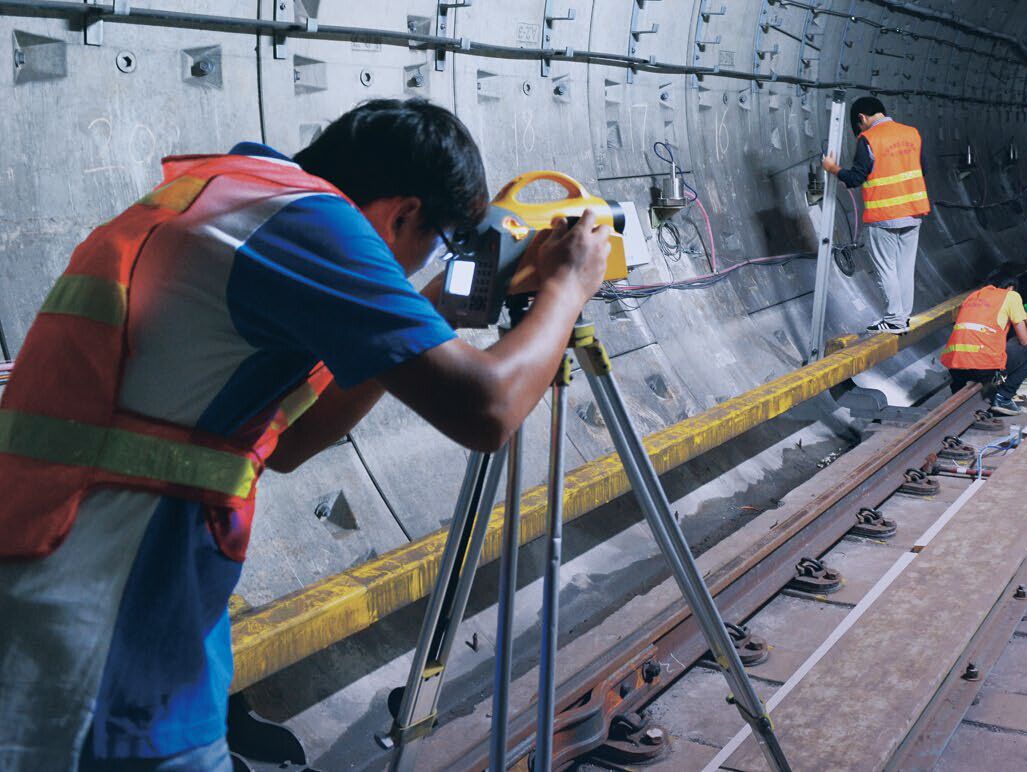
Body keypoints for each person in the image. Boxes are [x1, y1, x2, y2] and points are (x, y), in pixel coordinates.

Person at [0, 99, 611, 771]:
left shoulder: (234, 196)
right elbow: (488, 411)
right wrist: (568, 287)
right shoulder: (309, 221)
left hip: (95, 582)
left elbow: (291, 443)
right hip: (103, 616)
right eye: (435, 244)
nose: (413, 269)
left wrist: (422, 312)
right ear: (402, 212)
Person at [823, 96, 929, 333]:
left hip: (884, 215)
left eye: (858, 125)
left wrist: (832, 169)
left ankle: (893, 319)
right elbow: (923, 168)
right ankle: (903, 317)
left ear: (861, 118)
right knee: (904, 268)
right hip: (913, 213)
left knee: (886, 268)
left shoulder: (869, 139)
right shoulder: (912, 133)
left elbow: (855, 178)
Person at [940, 276, 1027, 415]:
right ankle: (1004, 398)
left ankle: (959, 387)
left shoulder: (973, 296)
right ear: (1011, 287)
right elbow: (1024, 340)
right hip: (983, 368)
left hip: (955, 367)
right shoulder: (1011, 296)